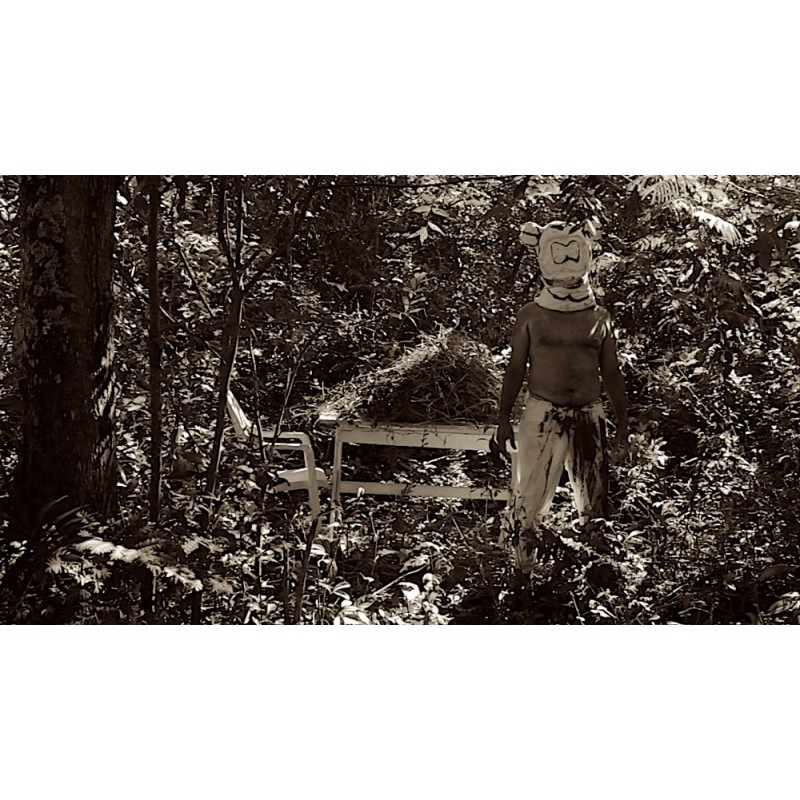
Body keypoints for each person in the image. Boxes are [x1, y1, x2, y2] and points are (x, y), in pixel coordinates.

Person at [494, 219, 629, 575]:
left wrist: (622, 423)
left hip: (589, 413)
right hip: (542, 412)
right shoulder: (531, 315)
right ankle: (522, 572)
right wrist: (503, 419)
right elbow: (515, 368)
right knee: (529, 494)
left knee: (595, 497)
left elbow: (612, 372)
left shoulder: (600, 317)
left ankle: (597, 573)